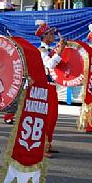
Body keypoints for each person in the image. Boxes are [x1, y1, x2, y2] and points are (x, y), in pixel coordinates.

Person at [35, 20, 66, 158]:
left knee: (53, 117)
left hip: (51, 87)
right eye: (50, 33)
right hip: (45, 86)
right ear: (45, 36)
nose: (53, 35)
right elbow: (51, 64)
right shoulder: (42, 51)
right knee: (46, 117)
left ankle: (48, 143)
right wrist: (60, 51)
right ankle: (41, 147)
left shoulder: (48, 50)